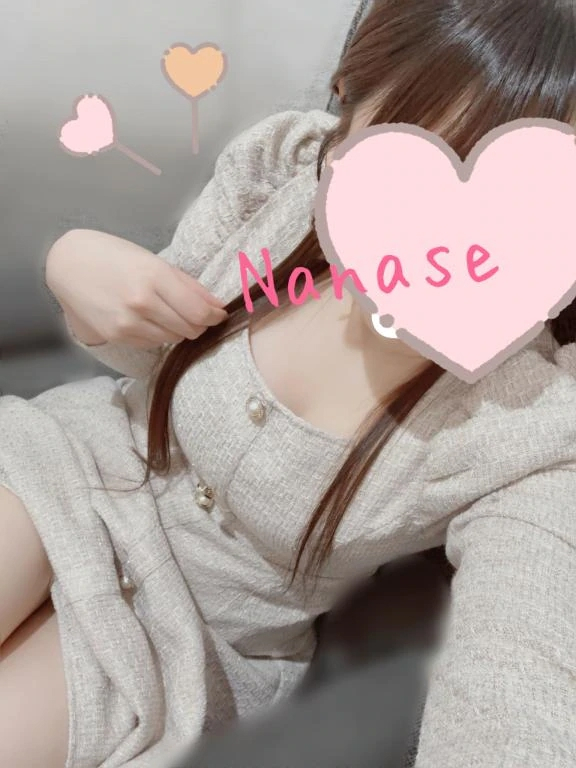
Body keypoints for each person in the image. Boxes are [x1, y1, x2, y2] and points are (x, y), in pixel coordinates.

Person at [1, 1, 576, 766]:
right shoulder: (280, 177)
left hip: (181, 639)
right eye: (419, 155)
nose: (447, 239)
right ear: (348, 98)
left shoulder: (528, 424)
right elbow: (147, 350)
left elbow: (521, 685)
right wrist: (71, 266)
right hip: (71, 465)